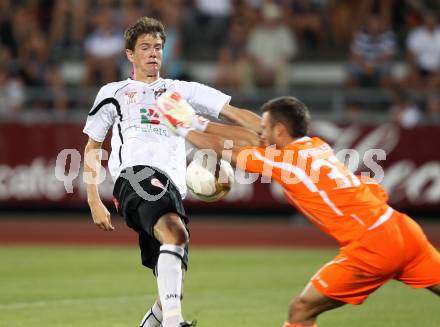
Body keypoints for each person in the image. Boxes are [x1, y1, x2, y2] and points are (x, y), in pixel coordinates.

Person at [157, 95, 440, 326]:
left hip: (372, 246)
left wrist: (182, 128)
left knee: (301, 310)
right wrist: (198, 122)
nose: (261, 133)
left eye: (265, 128)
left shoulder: (286, 164)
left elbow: (221, 148)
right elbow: (251, 141)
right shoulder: (318, 146)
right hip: (402, 228)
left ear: (280, 130)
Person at [82, 16, 260, 327]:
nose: (153, 53)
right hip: (135, 176)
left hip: (172, 189)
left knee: (171, 290)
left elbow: (233, 114)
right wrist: (94, 200)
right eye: (146, 47)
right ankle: (175, 325)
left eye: (158, 47)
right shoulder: (114, 92)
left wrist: (272, 131)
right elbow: (92, 147)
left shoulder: (182, 91)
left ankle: (164, 319)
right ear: (130, 54)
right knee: (176, 234)